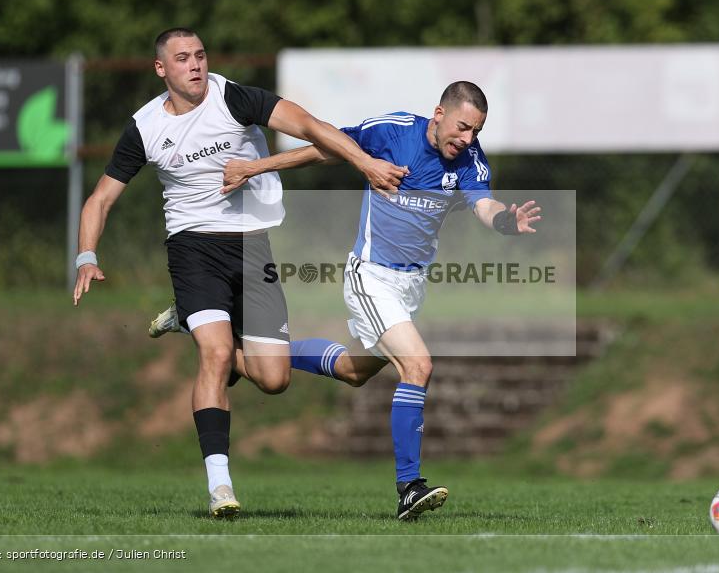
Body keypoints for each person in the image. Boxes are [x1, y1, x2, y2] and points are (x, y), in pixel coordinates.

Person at [155, 81, 541, 520]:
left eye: (476, 131)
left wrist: (507, 220)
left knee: (353, 371)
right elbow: (326, 146)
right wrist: (258, 166)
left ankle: (235, 352)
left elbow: (483, 206)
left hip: (410, 288)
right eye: (463, 127)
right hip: (371, 278)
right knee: (418, 365)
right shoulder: (394, 132)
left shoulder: (470, 159)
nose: (468, 139)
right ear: (439, 113)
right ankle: (408, 486)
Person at [72, 27, 406, 519]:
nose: (195, 64)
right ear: (161, 69)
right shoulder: (144, 127)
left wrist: (365, 164)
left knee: (273, 379)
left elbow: (312, 126)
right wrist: (87, 256)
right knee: (217, 353)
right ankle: (220, 487)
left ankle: (189, 318)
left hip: (253, 245)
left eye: (201, 55)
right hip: (193, 246)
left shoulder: (236, 99)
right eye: (182, 58)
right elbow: (101, 198)